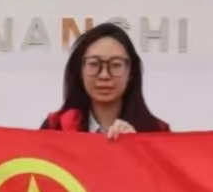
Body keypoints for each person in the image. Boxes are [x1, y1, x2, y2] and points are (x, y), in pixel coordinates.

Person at [41, 23, 169, 137]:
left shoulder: (158, 132)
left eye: (116, 65)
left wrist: (137, 146)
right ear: (80, 70)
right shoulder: (56, 127)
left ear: (131, 72)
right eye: (94, 64)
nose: (104, 75)